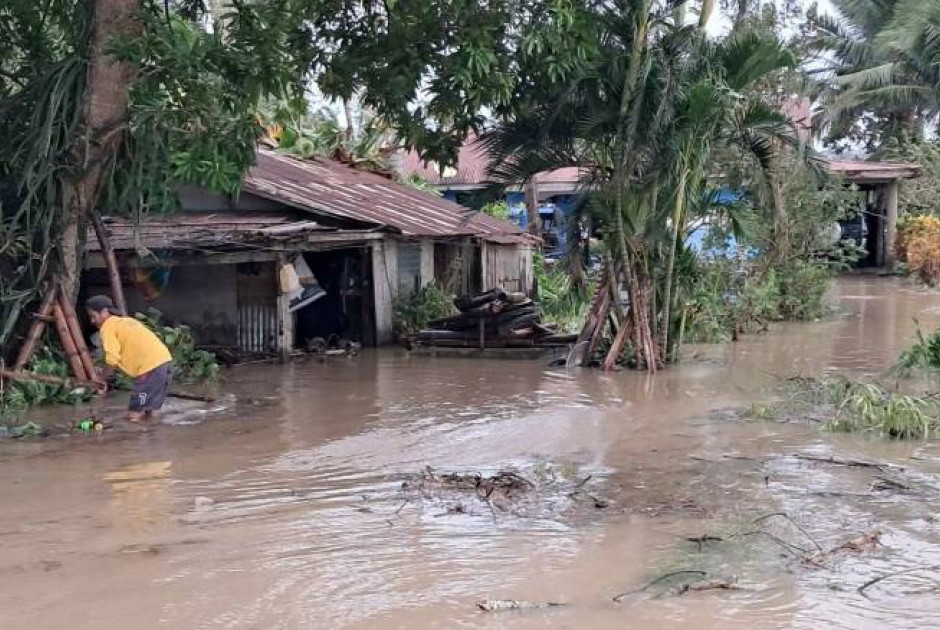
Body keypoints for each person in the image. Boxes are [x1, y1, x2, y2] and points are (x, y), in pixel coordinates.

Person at [85, 295, 173, 423]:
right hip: (165, 364)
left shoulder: (108, 327)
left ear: (104, 312)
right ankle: (154, 440)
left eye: (93, 316)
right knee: (152, 412)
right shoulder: (127, 321)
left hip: (149, 370)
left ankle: (135, 440)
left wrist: (101, 380)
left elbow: (112, 360)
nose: (92, 321)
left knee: (134, 415)